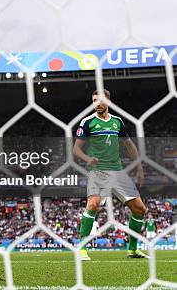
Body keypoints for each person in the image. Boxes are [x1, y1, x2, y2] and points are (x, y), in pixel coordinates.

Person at [74, 89, 148, 260]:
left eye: (99, 100)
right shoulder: (87, 122)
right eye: (94, 101)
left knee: (139, 209)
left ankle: (132, 250)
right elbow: (76, 149)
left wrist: (139, 168)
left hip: (118, 171)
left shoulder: (117, 122)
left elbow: (130, 146)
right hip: (98, 171)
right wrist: (87, 158)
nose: (97, 104)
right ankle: (82, 249)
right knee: (93, 204)